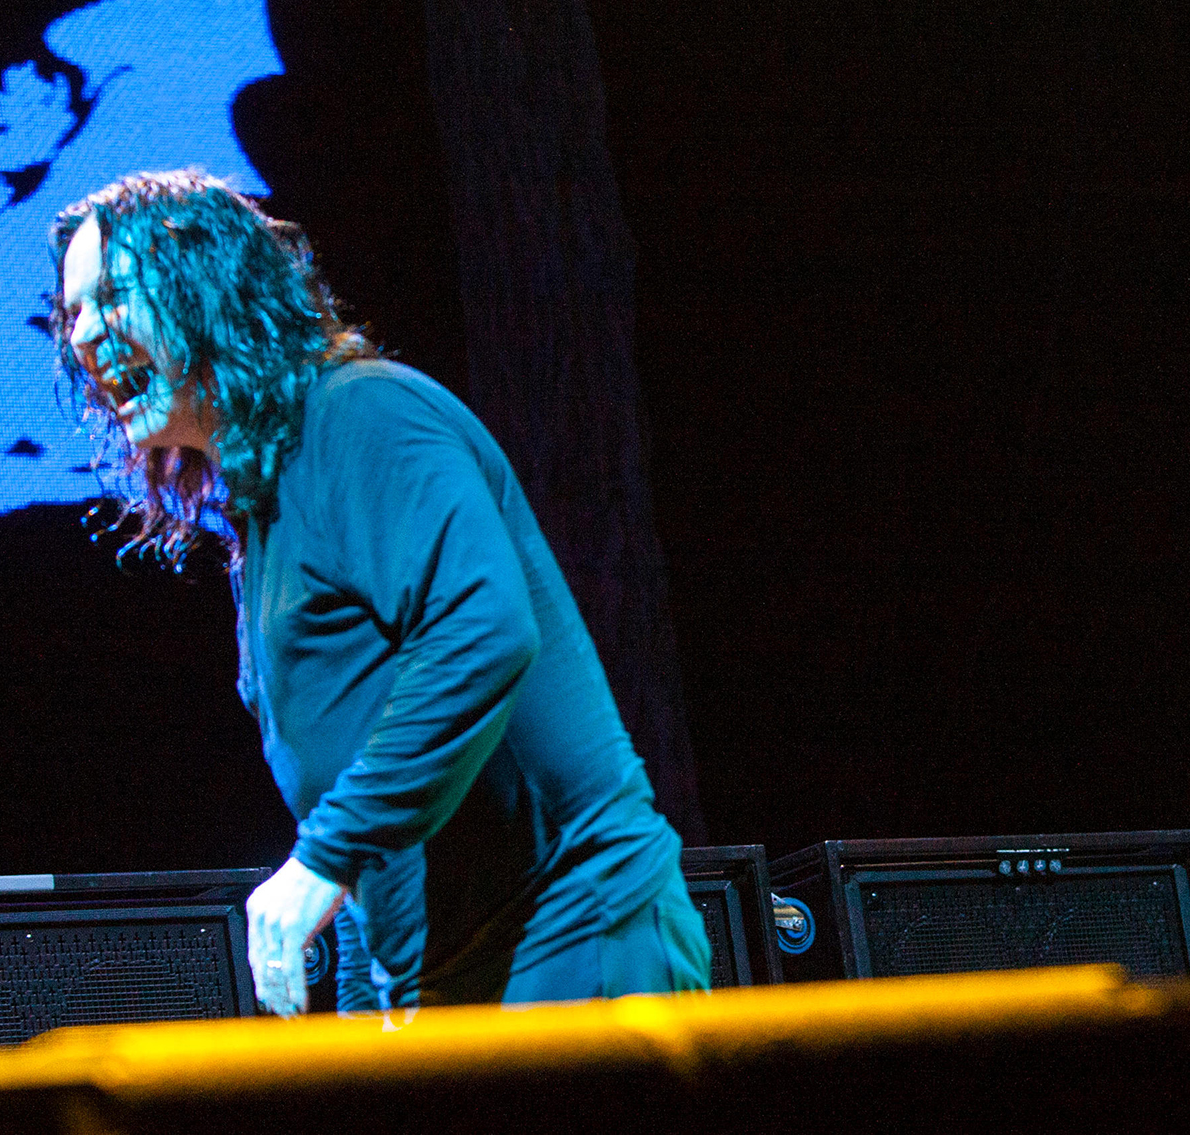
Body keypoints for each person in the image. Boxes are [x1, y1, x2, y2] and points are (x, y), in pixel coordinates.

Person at [52, 169, 709, 1015]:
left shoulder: (360, 414)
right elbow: (366, 787)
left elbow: (483, 629)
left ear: (207, 289)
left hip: (574, 941)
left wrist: (321, 861)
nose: (83, 335)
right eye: (73, 312)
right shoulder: (266, 502)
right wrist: (375, 998)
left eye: (110, 298)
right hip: (454, 984)